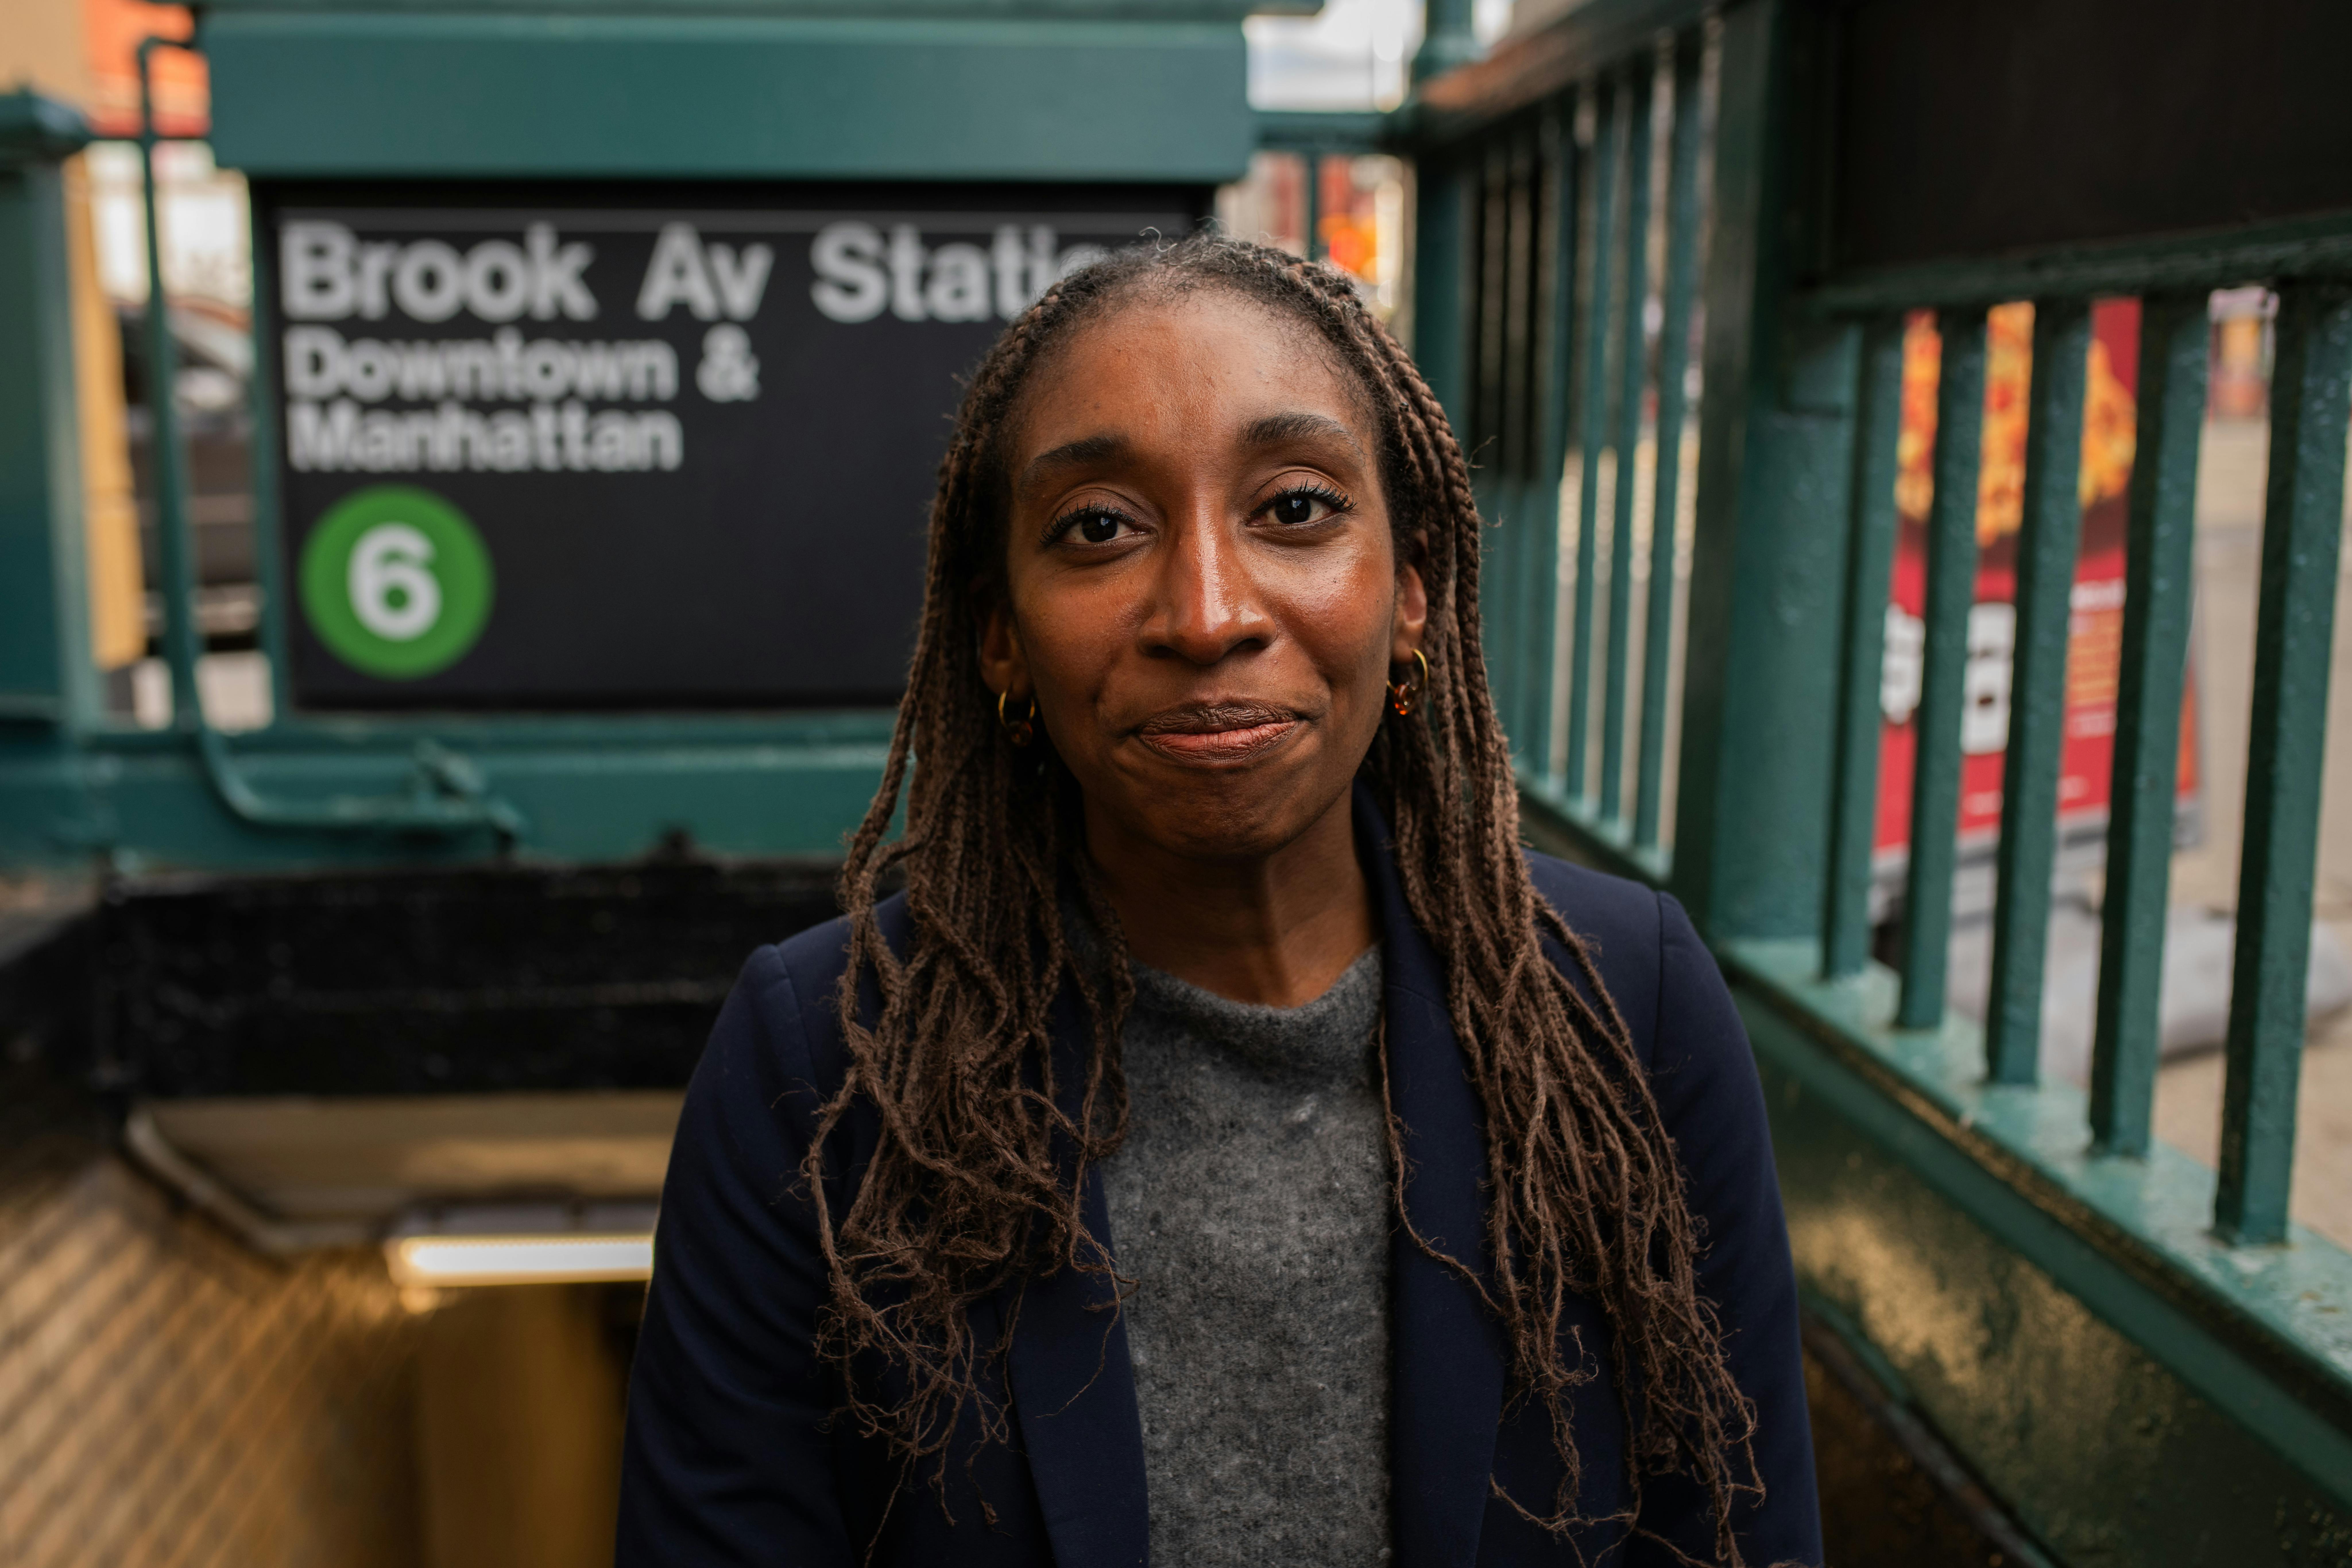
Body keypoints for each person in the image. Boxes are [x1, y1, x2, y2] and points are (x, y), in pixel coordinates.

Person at [617, 233, 1820, 1567]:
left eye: (1294, 508)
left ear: (1412, 585)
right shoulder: (824, 1064)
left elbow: (1737, 1529)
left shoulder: (1620, 1005)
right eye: (1098, 529)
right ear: (998, 630)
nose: (1205, 611)